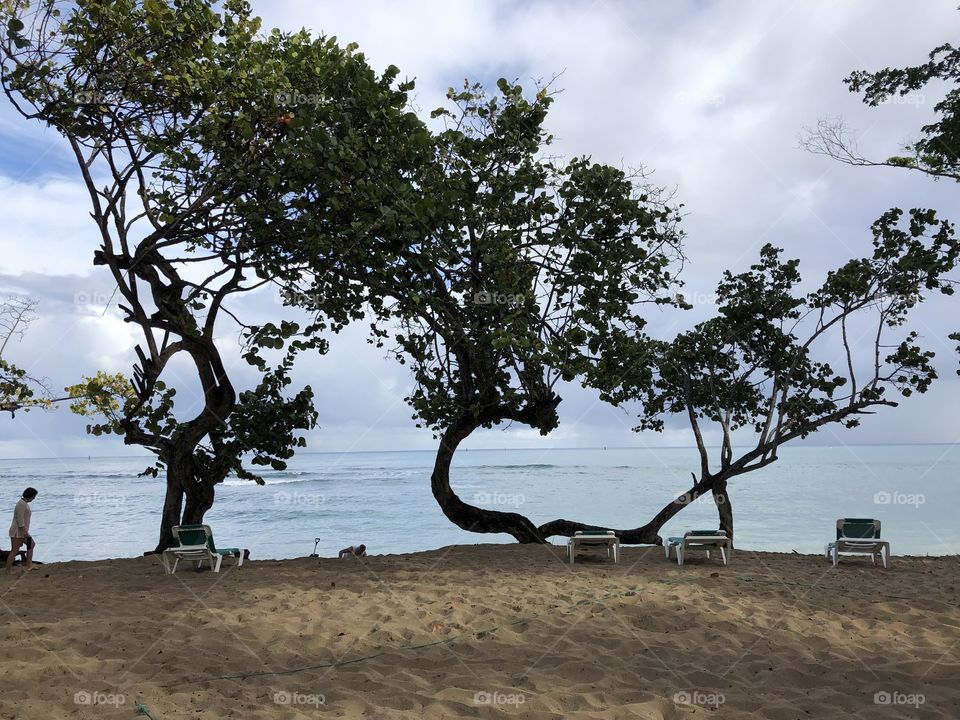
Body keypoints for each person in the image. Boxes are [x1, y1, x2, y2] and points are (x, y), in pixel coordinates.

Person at [5, 487, 37, 575]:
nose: (34, 498)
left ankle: (29, 565)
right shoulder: (21, 504)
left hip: (22, 531)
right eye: (34, 496)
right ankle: (8, 570)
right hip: (17, 532)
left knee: (32, 544)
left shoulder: (24, 503)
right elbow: (20, 520)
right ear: (30, 496)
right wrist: (25, 532)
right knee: (14, 551)